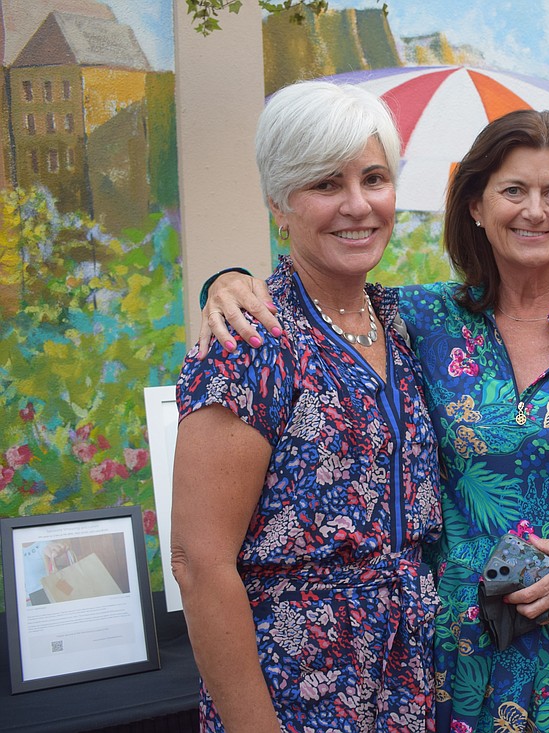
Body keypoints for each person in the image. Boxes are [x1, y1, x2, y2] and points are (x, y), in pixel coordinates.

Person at [195, 108, 549, 733]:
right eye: (513, 190)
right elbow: (319, 295)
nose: (534, 211)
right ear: (477, 206)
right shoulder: (418, 320)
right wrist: (227, 281)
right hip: (435, 665)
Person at [171, 80, 442, 733]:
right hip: (296, 699)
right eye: (326, 184)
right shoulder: (251, 343)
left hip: (411, 690)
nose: (357, 205)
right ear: (278, 202)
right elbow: (198, 562)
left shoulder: (405, 325)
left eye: (374, 178)